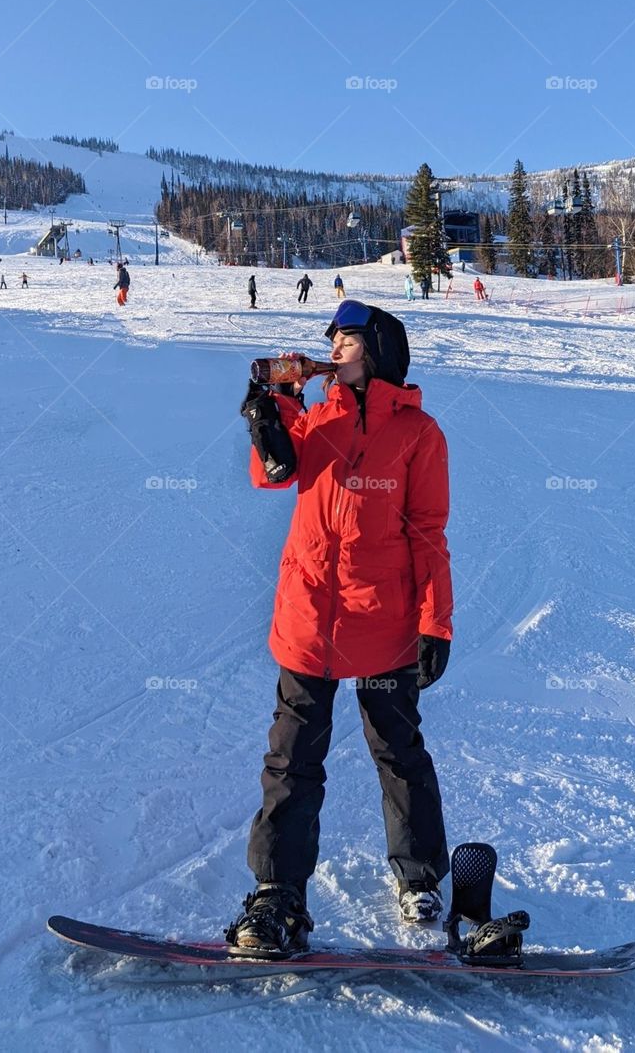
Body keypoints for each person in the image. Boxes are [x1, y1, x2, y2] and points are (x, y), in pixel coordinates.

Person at [229, 300, 453, 956]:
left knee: (397, 748)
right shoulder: (316, 417)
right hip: (307, 618)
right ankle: (277, 894)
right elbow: (275, 476)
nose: (334, 349)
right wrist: (268, 417)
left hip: (383, 623)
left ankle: (419, 878)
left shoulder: (418, 434)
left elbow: (429, 535)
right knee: (292, 757)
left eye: (348, 339)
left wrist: (434, 621)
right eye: (331, 341)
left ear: (379, 348)